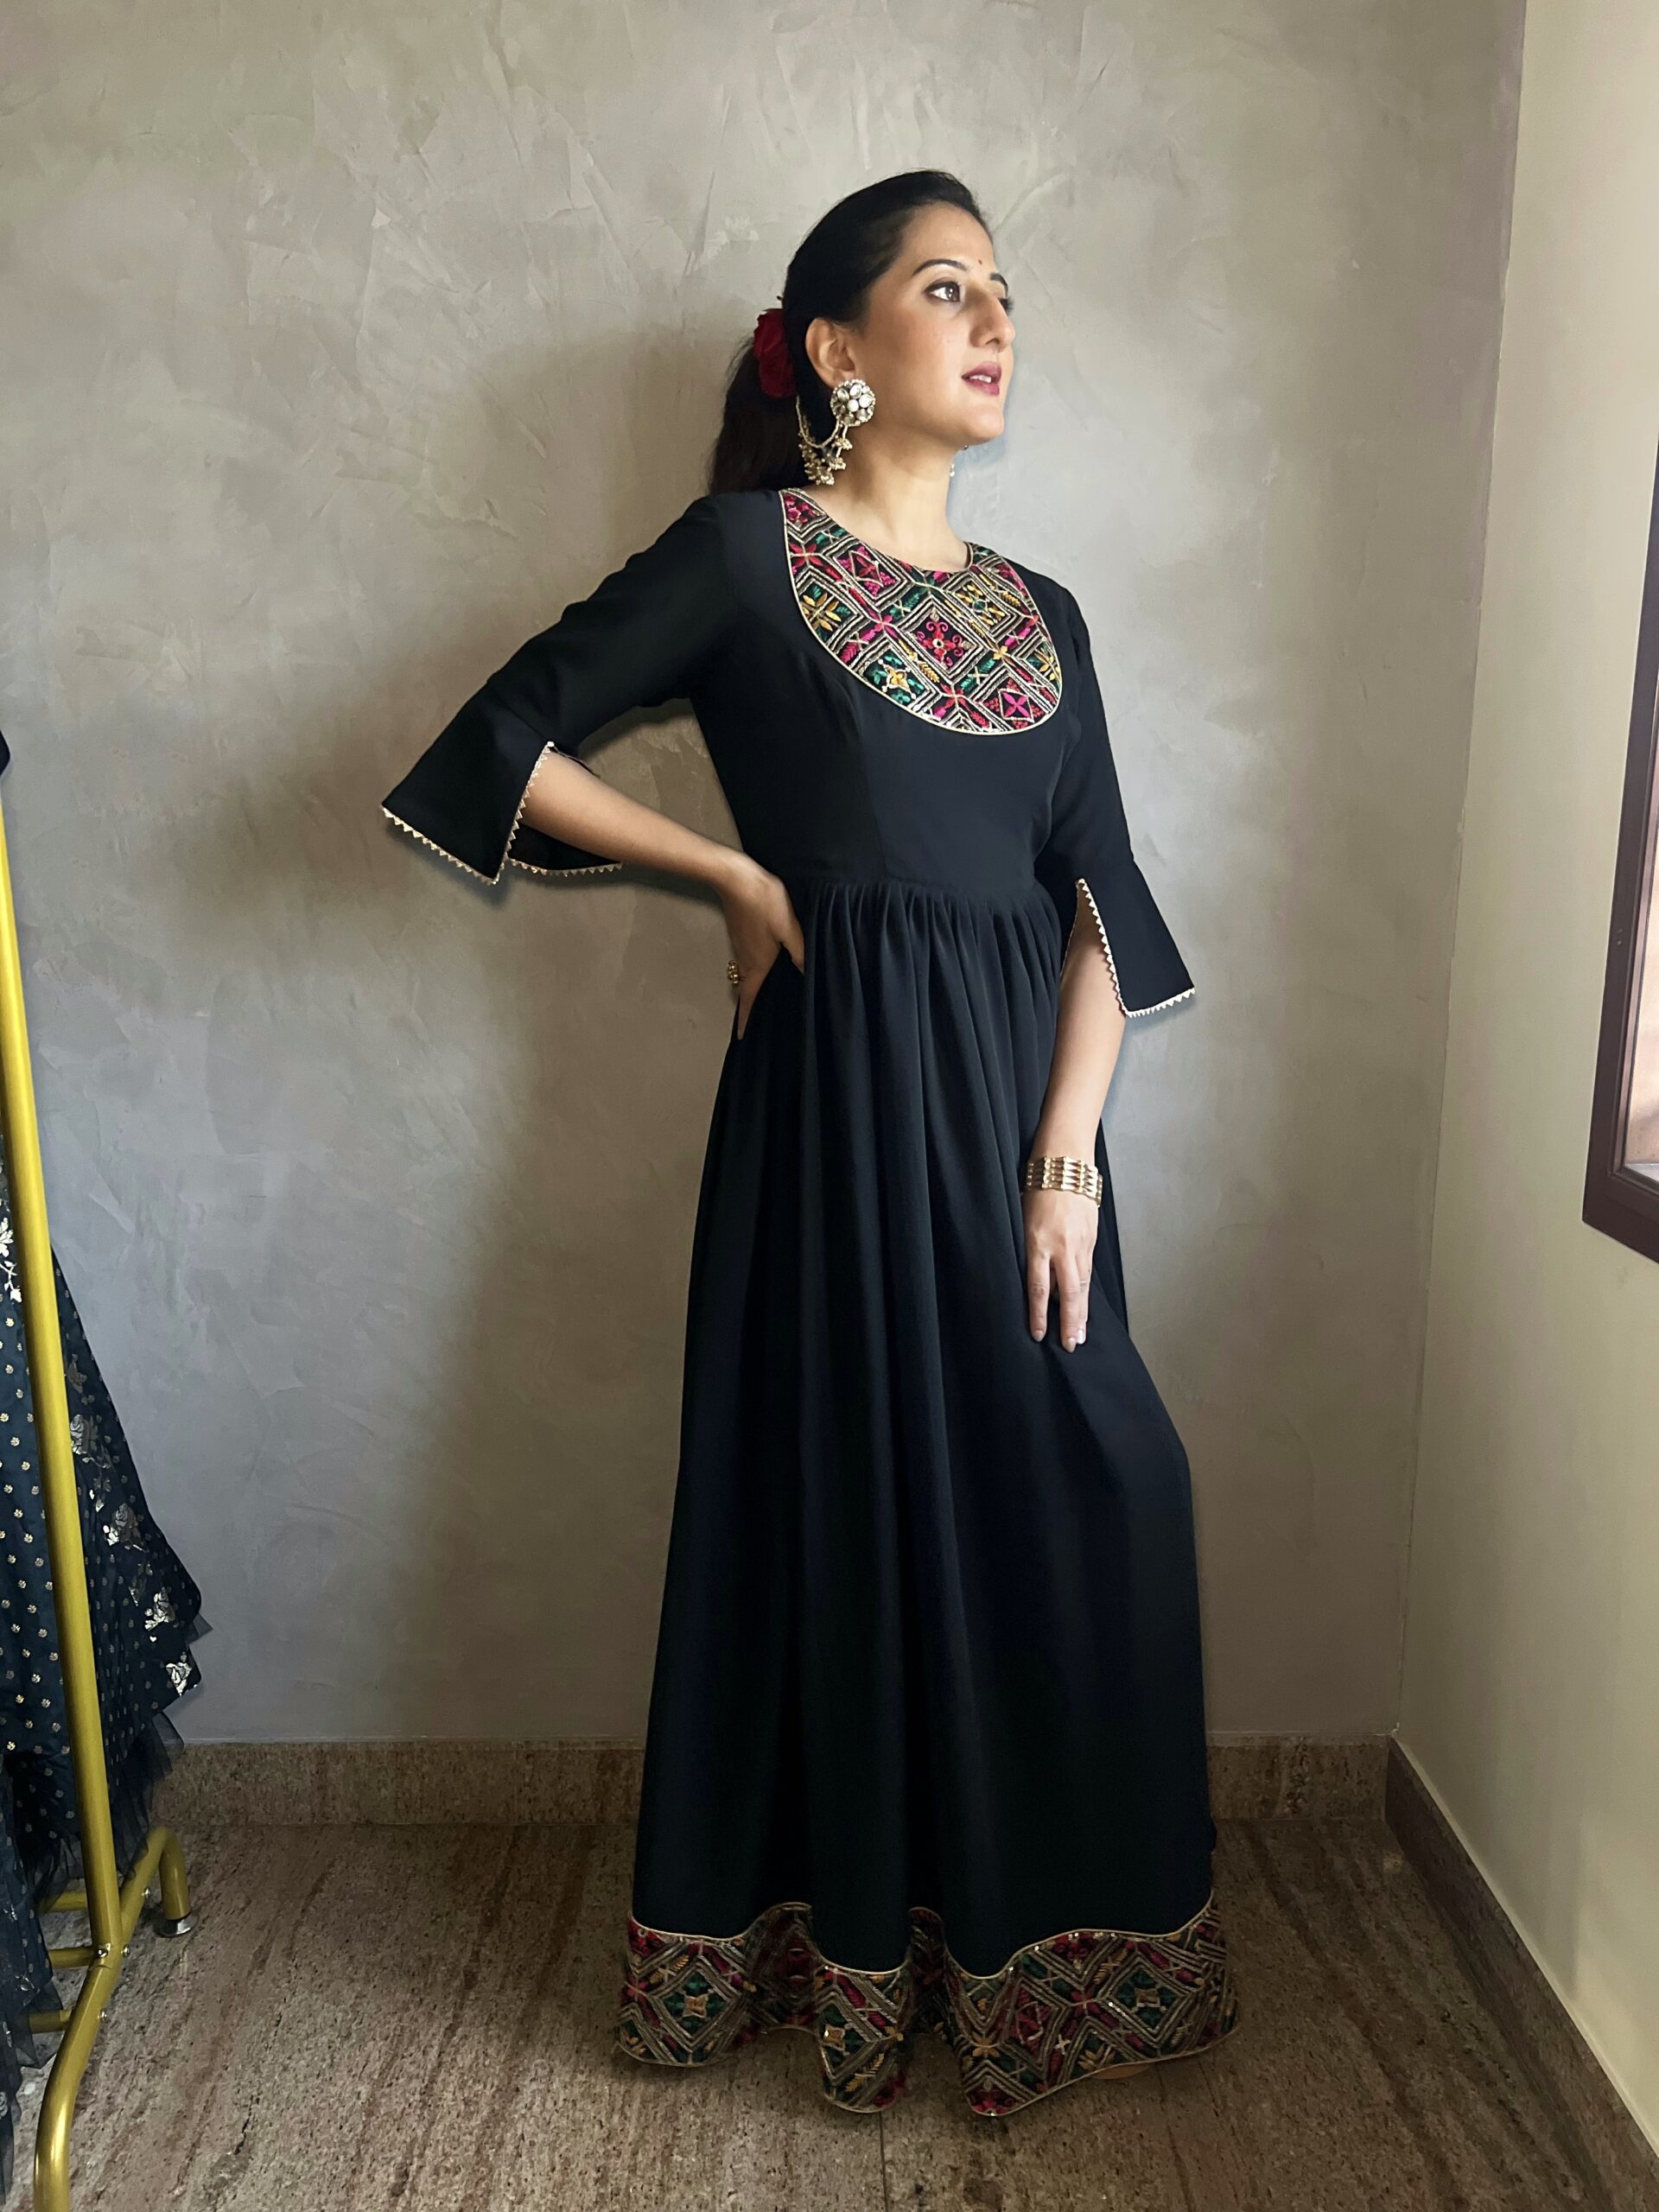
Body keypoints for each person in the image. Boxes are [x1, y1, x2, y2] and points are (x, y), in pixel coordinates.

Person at [381, 168, 1237, 2119]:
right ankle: (841, 1953)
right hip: (834, 1124)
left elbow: (1103, 902)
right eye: (948, 288)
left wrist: (1069, 1159)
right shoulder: (745, 557)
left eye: (1004, 289)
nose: (996, 320)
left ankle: (1045, 1951)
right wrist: (731, 876)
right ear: (837, 348)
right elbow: (506, 736)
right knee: (847, 1514)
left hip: (1018, 1137)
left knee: (1094, 1491)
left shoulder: (1045, 616)